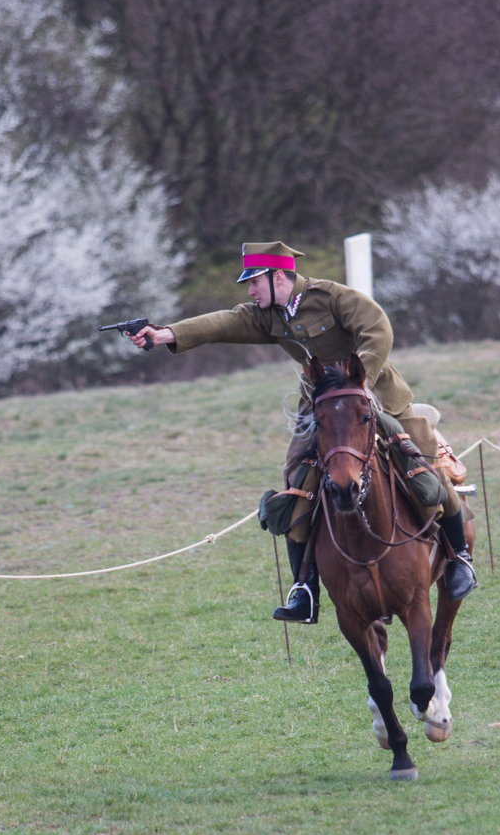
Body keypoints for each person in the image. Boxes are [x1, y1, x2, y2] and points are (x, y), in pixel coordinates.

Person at [126, 241, 477, 622]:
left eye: (254, 282)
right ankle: (304, 588)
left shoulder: (332, 297)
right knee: (298, 486)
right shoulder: (269, 315)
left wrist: (361, 381)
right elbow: (223, 322)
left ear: (279, 277)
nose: (250, 290)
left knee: (426, 467)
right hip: (321, 412)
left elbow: (377, 330)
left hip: (377, 396)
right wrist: (163, 335)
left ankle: (459, 559)